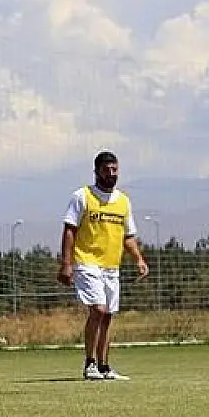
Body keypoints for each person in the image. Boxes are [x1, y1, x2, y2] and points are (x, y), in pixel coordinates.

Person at [57, 151, 149, 381]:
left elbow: (128, 236)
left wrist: (139, 259)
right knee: (97, 309)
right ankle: (89, 364)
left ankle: (104, 366)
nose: (111, 174)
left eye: (115, 169)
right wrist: (66, 264)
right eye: (107, 170)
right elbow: (70, 230)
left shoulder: (123, 201)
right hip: (87, 262)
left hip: (111, 266)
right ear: (96, 172)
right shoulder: (82, 196)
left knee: (107, 315)